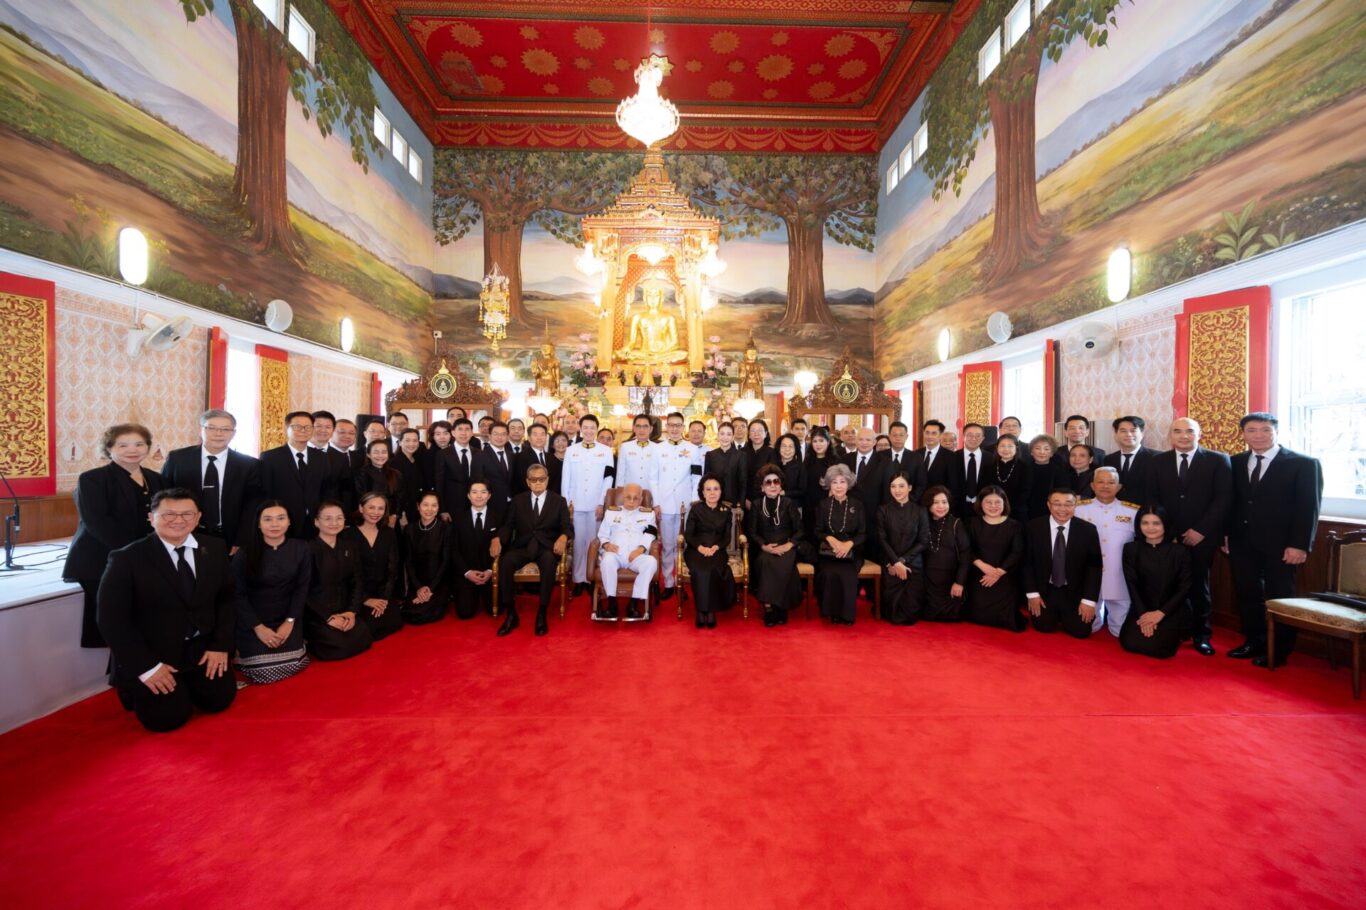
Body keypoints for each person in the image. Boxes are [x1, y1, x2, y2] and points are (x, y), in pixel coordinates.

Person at [95, 488, 236, 732]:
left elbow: (226, 599)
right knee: (166, 719)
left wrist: (220, 645)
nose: (178, 520)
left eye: (187, 514)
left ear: (198, 518)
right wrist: (147, 668)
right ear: (151, 518)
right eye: (169, 514)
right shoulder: (126, 558)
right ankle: (132, 687)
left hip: (200, 648)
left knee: (218, 701)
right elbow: (111, 620)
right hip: (154, 654)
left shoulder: (214, 548)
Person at [1226, 412, 1323, 667]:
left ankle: (1279, 650)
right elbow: (1231, 503)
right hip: (1242, 542)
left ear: (1276, 432)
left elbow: (1308, 508)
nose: (1259, 435)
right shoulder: (1235, 462)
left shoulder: (1303, 464)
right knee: (1248, 594)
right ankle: (1254, 641)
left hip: (1283, 546)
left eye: (1265, 430)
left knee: (1281, 598)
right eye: (1252, 430)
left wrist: (1299, 545)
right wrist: (1226, 535)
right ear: (1243, 434)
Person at [65, 423, 165, 648]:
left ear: (147, 447)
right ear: (109, 448)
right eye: (123, 445)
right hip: (101, 559)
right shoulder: (93, 479)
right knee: (113, 623)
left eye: (139, 444)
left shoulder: (156, 479)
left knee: (140, 622)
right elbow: (97, 523)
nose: (133, 450)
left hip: (142, 557)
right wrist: (134, 554)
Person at [1150, 417, 1231, 656]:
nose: (1184, 436)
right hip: (1167, 536)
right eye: (1177, 431)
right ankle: (1174, 629)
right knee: (1167, 585)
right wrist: (1168, 532)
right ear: (1170, 435)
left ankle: (1201, 635)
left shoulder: (1218, 460)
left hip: (1203, 537)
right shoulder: (1158, 461)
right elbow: (1152, 498)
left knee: (1198, 586)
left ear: (1199, 434)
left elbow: (1223, 499)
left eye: (1189, 431)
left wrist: (1201, 530)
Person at [231, 501, 311, 684]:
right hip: (254, 620)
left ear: (289, 522)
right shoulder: (244, 553)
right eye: (267, 519)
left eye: (281, 518)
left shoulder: (302, 548)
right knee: (262, 669)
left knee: (294, 663)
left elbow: (302, 587)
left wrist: (289, 622)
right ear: (258, 524)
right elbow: (238, 594)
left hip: (288, 616)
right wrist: (258, 628)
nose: (275, 524)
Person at [161, 409, 261, 554]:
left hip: (230, 536)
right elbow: (164, 495)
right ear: (200, 430)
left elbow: (251, 505)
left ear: (233, 433)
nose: (218, 434)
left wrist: (241, 539)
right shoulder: (178, 459)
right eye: (211, 428)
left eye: (225, 429)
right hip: (184, 531)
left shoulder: (248, 465)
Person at [495, 464, 572, 636]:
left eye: (541, 479)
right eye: (533, 480)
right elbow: (508, 526)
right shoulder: (517, 501)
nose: (538, 483)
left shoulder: (559, 501)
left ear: (547, 480)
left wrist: (563, 537)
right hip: (523, 546)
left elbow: (567, 527)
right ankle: (511, 613)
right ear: (527, 482)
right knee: (505, 562)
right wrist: (498, 538)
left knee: (549, 561)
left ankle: (542, 612)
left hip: (546, 548)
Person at [1022, 489, 1103, 638]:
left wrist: (1089, 601)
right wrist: (1032, 594)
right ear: (1049, 505)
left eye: (1068, 504)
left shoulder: (1088, 530)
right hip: (1046, 589)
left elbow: (1094, 567)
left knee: (1081, 631)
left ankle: (1065, 614)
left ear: (1075, 505)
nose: (1062, 509)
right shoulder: (1033, 527)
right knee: (1044, 626)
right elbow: (1027, 563)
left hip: (1074, 591)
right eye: (1057, 504)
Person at [1120, 505, 1191, 659]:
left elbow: (1185, 587)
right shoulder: (1131, 549)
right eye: (1145, 523)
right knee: (1129, 643)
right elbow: (1132, 584)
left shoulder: (1180, 552)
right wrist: (1144, 615)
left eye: (1156, 523)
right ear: (1138, 525)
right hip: (1142, 608)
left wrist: (1160, 614)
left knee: (1160, 649)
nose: (1150, 528)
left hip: (1170, 609)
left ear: (1165, 525)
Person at [304, 502, 373, 660]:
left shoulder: (349, 547)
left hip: (344, 609)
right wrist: (327, 617)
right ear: (316, 522)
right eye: (328, 518)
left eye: (339, 518)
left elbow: (357, 581)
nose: (334, 523)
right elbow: (303, 590)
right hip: (318, 613)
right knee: (339, 646)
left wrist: (351, 612)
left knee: (364, 637)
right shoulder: (307, 549)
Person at [1075, 467, 1138, 636]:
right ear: (1092, 485)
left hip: (1118, 574)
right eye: (1100, 482)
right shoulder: (1078, 509)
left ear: (1119, 487)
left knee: (1120, 631)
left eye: (1111, 482)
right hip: (1087, 575)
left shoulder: (1132, 512)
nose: (1105, 486)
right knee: (1086, 629)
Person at [653, 412, 704, 600]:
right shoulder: (658, 449)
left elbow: (697, 477)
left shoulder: (692, 449)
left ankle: (681, 581)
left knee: (683, 545)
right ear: (667, 427)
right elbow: (653, 478)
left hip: (686, 505)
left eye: (678, 425)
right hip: (665, 504)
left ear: (683, 427)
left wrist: (693, 501)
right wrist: (656, 503)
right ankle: (668, 582)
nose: (675, 429)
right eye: (671, 425)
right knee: (667, 545)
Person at [561, 414, 613, 595]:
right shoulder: (571, 451)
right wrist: (566, 503)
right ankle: (578, 579)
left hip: (595, 505)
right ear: (580, 429)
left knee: (593, 542)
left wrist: (601, 503)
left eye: (592, 428)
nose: (589, 431)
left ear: (596, 429)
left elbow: (608, 479)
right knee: (577, 543)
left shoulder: (606, 451)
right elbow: (566, 479)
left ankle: (591, 578)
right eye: (586, 427)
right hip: (576, 504)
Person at [748, 465, 803, 627]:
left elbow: (800, 530)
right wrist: (764, 546)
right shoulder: (757, 505)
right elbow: (752, 532)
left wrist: (788, 545)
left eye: (776, 482)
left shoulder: (789, 503)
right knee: (764, 561)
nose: (772, 485)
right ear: (762, 487)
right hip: (766, 547)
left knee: (784, 562)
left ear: (781, 485)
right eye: (768, 482)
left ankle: (781, 606)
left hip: (787, 546)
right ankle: (769, 607)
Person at [964, 485, 1025, 631]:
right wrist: (982, 565)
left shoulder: (1015, 525)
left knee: (1008, 619)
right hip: (979, 574)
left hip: (1005, 575)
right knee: (976, 615)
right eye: (988, 502)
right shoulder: (971, 523)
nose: (993, 506)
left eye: (997, 502)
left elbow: (1017, 552)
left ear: (1005, 503)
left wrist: (998, 572)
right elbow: (966, 549)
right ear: (980, 504)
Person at [259, 411, 328, 539]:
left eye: (308, 427)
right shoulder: (270, 457)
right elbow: (266, 493)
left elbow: (325, 489)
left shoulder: (322, 457)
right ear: (287, 429)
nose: (303, 430)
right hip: (283, 522)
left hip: (315, 522)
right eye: (297, 427)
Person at [595, 483, 659, 620]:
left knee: (651, 562)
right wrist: (606, 545)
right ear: (623, 497)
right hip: (615, 553)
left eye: (635, 498)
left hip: (636, 555)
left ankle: (633, 604)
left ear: (641, 499)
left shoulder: (648, 514)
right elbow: (602, 534)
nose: (631, 501)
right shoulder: (611, 512)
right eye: (628, 497)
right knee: (607, 561)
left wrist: (640, 549)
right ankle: (612, 604)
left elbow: (651, 533)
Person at [814, 463, 866, 626]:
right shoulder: (823, 504)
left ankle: (847, 614)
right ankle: (833, 613)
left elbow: (863, 533)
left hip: (852, 550)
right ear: (829, 484)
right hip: (829, 551)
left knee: (847, 574)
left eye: (842, 481)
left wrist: (849, 544)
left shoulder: (857, 504)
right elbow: (817, 531)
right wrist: (831, 539)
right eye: (834, 482)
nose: (838, 486)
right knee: (829, 573)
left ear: (848, 483)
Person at [877, 473, 930, 624]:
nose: (897, 490)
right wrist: (894, 562)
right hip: (890, 563)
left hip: (913, 564)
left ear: (910, 488)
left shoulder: (920, 511)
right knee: (891, 613)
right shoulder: (883, 510)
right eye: (893, 486)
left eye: (901, 486)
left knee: (909, 614)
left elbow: (923, 541)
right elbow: (882, 539)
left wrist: (902, 561)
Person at [683, 474, 735, 629]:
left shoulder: (726, 511)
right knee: (700, 570)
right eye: (708, 489)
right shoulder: (696, 509)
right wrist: (700, 547)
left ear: (721, 491)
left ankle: (710, 610)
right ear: (703, 492)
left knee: (713, 569)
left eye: (716, 489)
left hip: (717, 550)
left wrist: (716, 547)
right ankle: (700, 610)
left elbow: (726, 537)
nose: (712, 493)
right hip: (695, 549)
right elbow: (689, 534)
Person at [449, 481, 501, 620]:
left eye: (483, 492)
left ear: (489, 495)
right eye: (474, 492)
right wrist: (467, 572)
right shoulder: (458, 519)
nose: (479, 496)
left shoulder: (499, 518)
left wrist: (490, 571)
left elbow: (505, 547)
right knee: (465, 613)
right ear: (468, 495)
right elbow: (453, 550)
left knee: (496, 609)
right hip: (468, 573)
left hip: (490, 572)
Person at [920, 485, 970, 621]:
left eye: (944, 502)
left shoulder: (956, 523)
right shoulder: (922, 522)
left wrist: (959, 582)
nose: (941, 506)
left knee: (953, 615)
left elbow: (966, 556)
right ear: (928, 504)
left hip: (951, 581)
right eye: (936, 502)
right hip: (927, 581)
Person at [401, 492, 451, 625]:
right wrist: (418, 587)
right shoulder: (409, 529)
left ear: (438, 508)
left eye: (434, 505)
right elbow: (408, 561)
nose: (429, 509)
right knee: (410, 613)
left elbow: (446, 561)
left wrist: (431, 588)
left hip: (438, 581)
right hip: (417, 582)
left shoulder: (445, 528)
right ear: (418, 506)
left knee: (424, 613)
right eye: (425, 505)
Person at [1104, 416, 1157, 509]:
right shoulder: (1109, 459)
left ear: (1142, 433)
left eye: (1133, 430)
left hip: (1144, 511)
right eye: (1123, 431)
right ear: (1116, 434)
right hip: (1114, 511)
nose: (1128, 434)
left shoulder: (1156, 458)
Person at [434, 417, 478, 519]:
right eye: (460, 429)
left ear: (472, 433)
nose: (463, 433)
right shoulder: (443, 454)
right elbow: (439, 483)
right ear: (453, 433)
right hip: (451, 507)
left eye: (467, 429)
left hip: (475, 505)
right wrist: (443, 509)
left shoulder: (479, 453)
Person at [354, 438, 404, 528]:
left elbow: (400, 497)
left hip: (390, 520)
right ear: (368, 454)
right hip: (368, 519)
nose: (380, 455)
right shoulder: (361, 474)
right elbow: (360, 498)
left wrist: (395, 515)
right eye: (376, 452)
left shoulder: (396, 474)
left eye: (384, 452)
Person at [801, 428, 837, 540]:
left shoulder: (835, 461)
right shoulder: (807, 460)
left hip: (827, 504)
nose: (818, 444)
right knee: (809, 534)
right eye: (815, 441)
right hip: (808, 503)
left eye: (821, 440)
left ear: (828, 442)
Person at [952, 423, 995, 517]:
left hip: (983, 506)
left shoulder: (991, 458)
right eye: (970, 435)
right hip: (958, 506)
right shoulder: (953, 457)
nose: (974, 438)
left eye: (978, 435)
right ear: (963, 437)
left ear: (983, 438)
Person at [987, 433, 1031, 521]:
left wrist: (1007, 506)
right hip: (992, 509)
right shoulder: (989, 466)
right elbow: (984, 488)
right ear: (997, 448)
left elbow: (1026, 491)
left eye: (1010, 446)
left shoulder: (1024, 466)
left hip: (1017, 511)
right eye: (1002, 446)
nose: (1006, 449)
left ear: (1016, 448)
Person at [472, 420, 515, 508]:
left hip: (512, 503)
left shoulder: (512, 455)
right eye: (495, 434)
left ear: (507, 437)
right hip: (491, 504)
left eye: (503, 434)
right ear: (489, 436)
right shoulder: (479, 456)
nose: (499, 437)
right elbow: (478, 482)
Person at [704, 422, 746, 507]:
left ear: (733, 437)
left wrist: (740, 505)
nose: (725, 437)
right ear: (718, 436)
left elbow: (743, 483)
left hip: (734, 503)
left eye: (729, 434)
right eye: (722, 434)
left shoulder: (741, 455)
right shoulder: (710, 455)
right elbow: (706, 481)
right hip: (713, 501)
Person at [392, 428, 428, 527]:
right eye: (407, 440)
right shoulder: (394, 463)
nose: (411, 444)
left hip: (416, 509)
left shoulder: (417, 459)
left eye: (415, 440)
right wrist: (402, 514)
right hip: (403, 512)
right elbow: (395, 493)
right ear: (400, 442)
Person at [912, 420, 956, 499]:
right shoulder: (915, 454)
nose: (929, 436)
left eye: (934, 433)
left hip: (939, 502)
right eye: (927, 433)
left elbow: (952, 485)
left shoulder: (951, 457)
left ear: (941, 435)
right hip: (917, 502)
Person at [513, 423, 558, 496]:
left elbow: (555, 483)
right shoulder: (520, 458)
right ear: (529, 438)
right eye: (535, 434)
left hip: (550, 499)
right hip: (529, 498)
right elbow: (521, 483)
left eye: (542, 434)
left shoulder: (552, 458)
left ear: (546, 437)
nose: (539, 438)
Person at [1025, 435, 1063, 520]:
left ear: (1052, 453)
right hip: (1028, 513)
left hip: (1052, 512)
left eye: (1046, 449)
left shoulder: (1059, 471)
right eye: (1037, 448)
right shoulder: (1024, 470)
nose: (1042, 452)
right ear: (1031, 452)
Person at [741, 419, 775, 508]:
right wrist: (744, 498)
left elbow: (773, 478)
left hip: (766, 499)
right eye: (753, 431)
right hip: (745, 499)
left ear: (766, 433)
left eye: (760, 430)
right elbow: (739, 477)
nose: (756, 434)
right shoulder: (741, 452)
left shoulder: (772, 452)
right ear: (749, 434)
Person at [775, 432, 806, 502]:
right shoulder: (774, 465)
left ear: (796, 449)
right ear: (779, 447)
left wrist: (784, 493)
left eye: (791, 446)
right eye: (784, 446)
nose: (787, 449)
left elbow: (802, 491)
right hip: (775, 503)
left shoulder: (801, 467)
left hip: (794, 505)